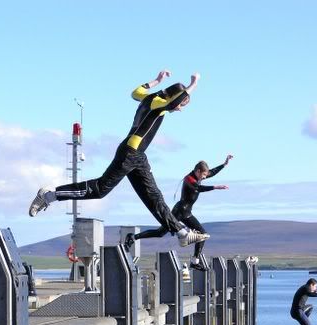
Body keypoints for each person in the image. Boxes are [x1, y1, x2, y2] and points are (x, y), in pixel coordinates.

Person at [28, 71, 209, 249]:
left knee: (154, 197)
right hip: (130, 152)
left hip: (138, 156)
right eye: (182, 104)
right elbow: (172, 102)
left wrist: (156, 80)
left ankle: (181, 233)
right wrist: (194, 84)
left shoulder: (149, 98)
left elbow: (135, 92)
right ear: (175, 97)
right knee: (100, 189)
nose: (180, 108)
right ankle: (49, 195)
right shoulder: (158, 103)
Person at [124, 155, 233, 268]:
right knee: (160, 233)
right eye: (204, 175)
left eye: (206, 175)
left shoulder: (200, 175)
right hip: (179, 211)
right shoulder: (189, 179)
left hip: (187, 213)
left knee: (203, 234)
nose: (205, 177)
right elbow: (198, 188)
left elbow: (212, 172)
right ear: (198, 171)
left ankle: (195, 261)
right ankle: (133, 237)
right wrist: (215, 187)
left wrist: (224, 164)